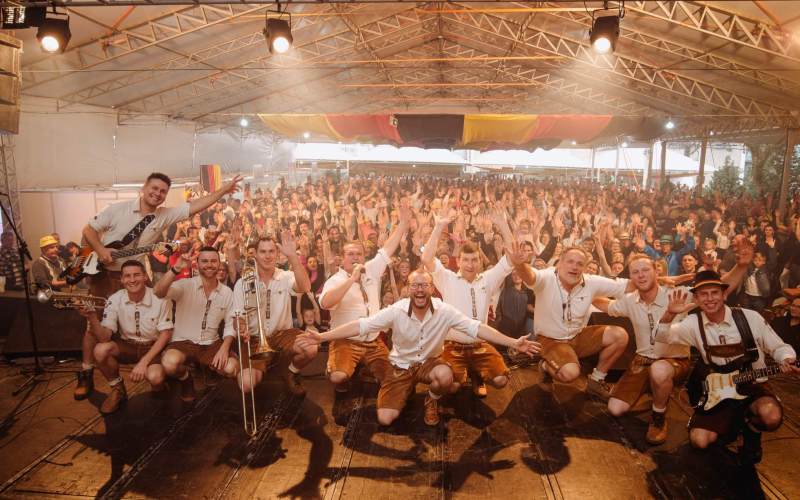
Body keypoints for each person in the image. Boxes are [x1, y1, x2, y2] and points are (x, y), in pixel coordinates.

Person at [74, 172, 242, 401]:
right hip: (104, 274)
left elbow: (195, 206)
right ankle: (86, 373)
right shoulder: (117, 209)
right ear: (144, 188)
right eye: (154, 188)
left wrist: (223, 190)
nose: (157, 193)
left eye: (163, 191)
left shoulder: (163, 216)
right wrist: (101, 250)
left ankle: (162, 362)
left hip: (137, 274)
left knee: (160, 299)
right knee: (92, 325)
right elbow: (87, 231)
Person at [296, 269, 540, 426]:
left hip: (429, 364)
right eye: (415, 286)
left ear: (432, 289)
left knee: (445, 375)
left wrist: (513, 342)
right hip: (401, 367)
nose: (420, 290)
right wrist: (323, 337)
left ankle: (432, 399)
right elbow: (361, 326)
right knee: (385, 419)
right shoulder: (397, 309)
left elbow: (477, 328)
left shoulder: (444, 310)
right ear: (409, 290)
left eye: (425, 285)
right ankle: (405, 389)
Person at [591, 240, 752, 444]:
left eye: (645, 270)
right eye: (635, 272)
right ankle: (654, 387)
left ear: (656, 272)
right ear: (630, 277)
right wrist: (587, 293)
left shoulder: (677, 294)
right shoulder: (630, 301)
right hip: (642, 361)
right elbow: (604, 304)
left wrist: (742, 265)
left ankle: (658, 414)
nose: (641, 275)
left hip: (675, 361)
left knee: (659, 370)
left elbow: (718, 286)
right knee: (615, 409)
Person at [506, 241, 689, 401]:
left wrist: (658, 279)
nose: (575, 267)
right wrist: (519, 265)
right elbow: (529, 275)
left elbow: (628, 285)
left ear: (584, 267)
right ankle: (545, 366)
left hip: (578, 336)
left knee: (619, 335)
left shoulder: (590, 281)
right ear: (560, 263)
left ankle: (595, 381)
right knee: (570, 374)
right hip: (551, 340)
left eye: (580, 264)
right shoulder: (546, 277)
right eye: (570, 261)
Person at [655, 271, 800, 463]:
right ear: (696, 298)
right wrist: (669, 314)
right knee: (700, 441)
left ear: (725, 294)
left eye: (715, 292)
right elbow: (662, 336)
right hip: (718, 388)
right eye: (704, 294)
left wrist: (787, 359)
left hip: (752, 384)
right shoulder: (693, 323)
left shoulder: (750, 318)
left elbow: (779, 347)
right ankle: (732, 422)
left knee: (771, 416)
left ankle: (752, 431)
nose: (710, 298)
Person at [421, 203, 514, 398]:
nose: (470, 265)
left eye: (474, 260)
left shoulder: (488, 279)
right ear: (459, 261)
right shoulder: (447, 278)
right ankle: (447, 388)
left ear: (480, 262)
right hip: (453, 346)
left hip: (480, 345)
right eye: (465, 260)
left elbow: (512, 258)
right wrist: (438, 227)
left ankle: (476, 373)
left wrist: (503, 225)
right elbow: (427, 258)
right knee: (452, 387)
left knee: (501, 380)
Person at [318, 207, 410, 393]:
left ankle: (362, 367)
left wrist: (403, 223)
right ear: (341, 259)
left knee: (396, 382)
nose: (355, 257)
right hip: (345, 341)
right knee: (338, 377)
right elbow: (326, 303)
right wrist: (352, 279)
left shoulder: (370, 269)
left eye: (358, 254)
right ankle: (340, 371)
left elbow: (388, 249)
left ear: (364, 256)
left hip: (373, 342)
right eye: (350, 254)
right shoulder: (335, 280)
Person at [227, 232, 315, 397]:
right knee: (247, 385)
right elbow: (237, 318)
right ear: (255, 254)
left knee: (310, 347)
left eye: (271, 251)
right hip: (254, 339)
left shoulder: (285, 276)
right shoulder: (243, 282)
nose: (267, 256)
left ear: (277, 254)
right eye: (263, 252)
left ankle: (291, 371)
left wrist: (293, 257)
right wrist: (242, 328)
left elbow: (305, 288)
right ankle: (263, 364)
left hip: (283, 334)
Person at [79, 260, 173, 413]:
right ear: (122, 280)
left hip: (153, 347)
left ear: (145, 276)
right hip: (128, 345)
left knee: (155, 378)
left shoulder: (160, 298)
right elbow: (104, 337)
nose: (132, 280)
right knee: (101, 349)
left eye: (137, 275)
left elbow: (165, 335)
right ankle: (118, 389)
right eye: (127, 276)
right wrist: (91, 317)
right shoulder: (115, 298)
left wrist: (143, 362)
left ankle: (161, 389)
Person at [154, 246, 238, 402]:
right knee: (169, 364)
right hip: (183, 343)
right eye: (204, 261)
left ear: (219, 263)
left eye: (213, 261)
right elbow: (158, 292)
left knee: (231, 368)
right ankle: (186, 379)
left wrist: (224, 348)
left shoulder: (227, 292)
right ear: (197, 264)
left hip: (210, 344)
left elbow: (230, 324)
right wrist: (176, 269)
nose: (209, 265)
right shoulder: (185, 285)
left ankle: (208, 366)